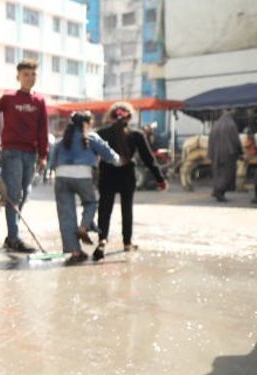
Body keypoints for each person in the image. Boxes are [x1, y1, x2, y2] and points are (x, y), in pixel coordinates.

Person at [0, 60, 48, 253]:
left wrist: (43, 155)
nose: (30, 78)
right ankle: (14, 238)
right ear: (18, 77)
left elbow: (43, 130)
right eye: (26, 74)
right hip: (11, 152)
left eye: (33, 74)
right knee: (14, 194)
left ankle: (11, 236)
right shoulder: (8, 98)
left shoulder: (39, 101)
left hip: (31, 154)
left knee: (25, 193)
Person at [96, 102, 167, 254]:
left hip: (107, 173)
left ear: (111, 116)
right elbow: (148, 158)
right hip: (127, 174)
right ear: (130, 117)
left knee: (104, 209)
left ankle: (102, 240)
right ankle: (127, 243)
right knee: (126, 209)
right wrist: (160, 179)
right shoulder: (136, 135)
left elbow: (91, 156)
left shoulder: (101, 133)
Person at [48, 112, 119, 263]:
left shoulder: (61, 140)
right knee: (90, 203)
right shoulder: (91, 137)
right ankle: (84, 226)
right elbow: (110, 155)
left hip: (61, 177)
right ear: (87, 123)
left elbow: (51, 163)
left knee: (66, 214)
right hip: (83, 176)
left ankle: (75, 251)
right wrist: (119, 161)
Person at [209, 110, 242, 202]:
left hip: (215, 153)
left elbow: (210, 140)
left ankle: (217, 190)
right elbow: (235, 140)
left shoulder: (216, 125)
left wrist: (210, 153)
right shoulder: (231, 125)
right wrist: (240, 152)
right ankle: (219, 191)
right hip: (228, 153)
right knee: (227, 173)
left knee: (218, 173)